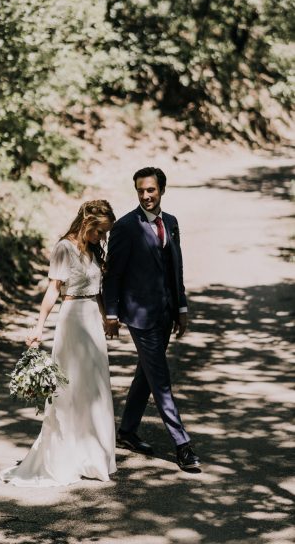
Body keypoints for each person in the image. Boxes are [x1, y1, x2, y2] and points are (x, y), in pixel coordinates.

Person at [0, 200, 117, 487]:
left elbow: (97, 290)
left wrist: (106, 318)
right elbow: (53, 290)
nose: (102, 237)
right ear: (88, 222)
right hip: (73, 319)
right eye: (100, 231)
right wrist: (39, 327)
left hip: (92, 320)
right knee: (72, 389)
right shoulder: (64, 248)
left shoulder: (92, 250)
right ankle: (67, 455)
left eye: (104, 233)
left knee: (96, 388)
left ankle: (93, 455)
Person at [102, 167, 201, 470]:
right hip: (140, 316)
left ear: (161, 190)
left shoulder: (170, 223)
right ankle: (182, 445)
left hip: (166, 313)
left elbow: (176, 268)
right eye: (141, 191)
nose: (146, 196)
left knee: (146, 373)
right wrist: (111, 313)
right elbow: (113, 274)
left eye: (151, 190)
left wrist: (181, 308)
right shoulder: (125, 227)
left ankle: (128, 431)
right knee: (160, 379)